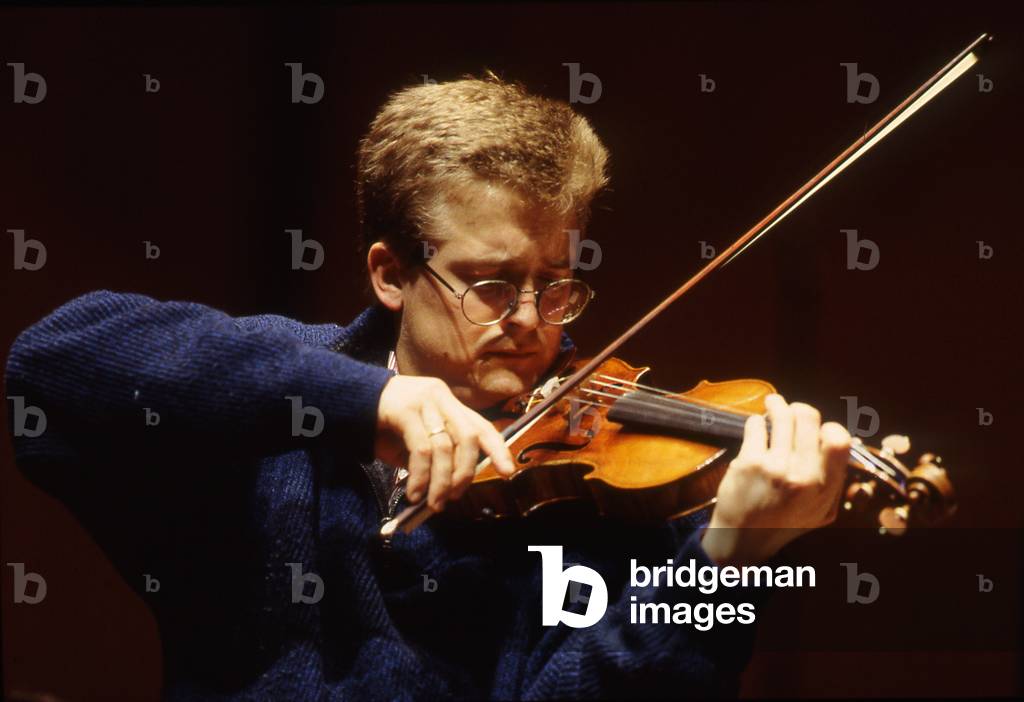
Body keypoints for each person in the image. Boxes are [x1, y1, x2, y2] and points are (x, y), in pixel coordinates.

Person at [5, 73, 851, 700]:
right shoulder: (282, 393)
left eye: (555, 284)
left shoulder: (610, 497)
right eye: (491, 284)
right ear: (390, 273)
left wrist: (721, 564)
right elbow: (53, 362)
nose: (531, 321)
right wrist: (361, 401)